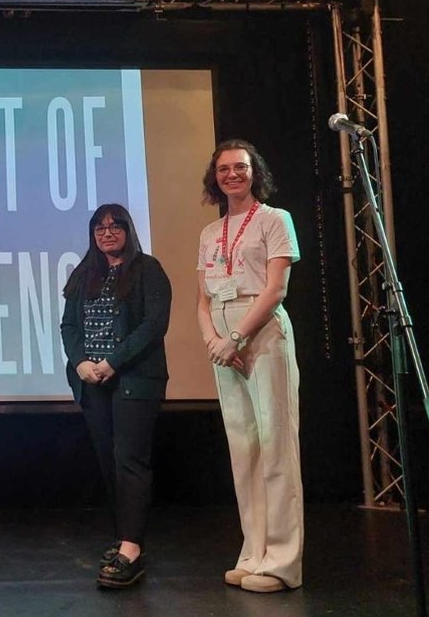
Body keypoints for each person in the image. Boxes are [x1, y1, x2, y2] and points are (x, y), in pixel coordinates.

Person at [196, 139, 303, 593]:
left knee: (276, 442)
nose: (232, 175)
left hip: (260, 334)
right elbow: (202, 299)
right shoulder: (208, 232)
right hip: (222, 339)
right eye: (223, 169)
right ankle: (253, 553)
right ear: (214, 177)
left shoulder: (275, 220)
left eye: (240, 167)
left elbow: (275, 289)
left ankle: (282, 562)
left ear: (254, 171)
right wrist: (215, 342)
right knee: (244, 447)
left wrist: (237, 337)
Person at [60, 204, 172, 588]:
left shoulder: (148, 270)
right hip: (92, 383)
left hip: (134, 381)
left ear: (128, 230)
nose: (107, 234)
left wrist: (112, 362)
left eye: (115, 227)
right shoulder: (83, 273)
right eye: (100, 228)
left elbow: (153, 326)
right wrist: (80, 364)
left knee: (130, 461)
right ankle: (125, 538)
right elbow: (69, 325)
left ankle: (132, 549)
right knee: (110, 463)